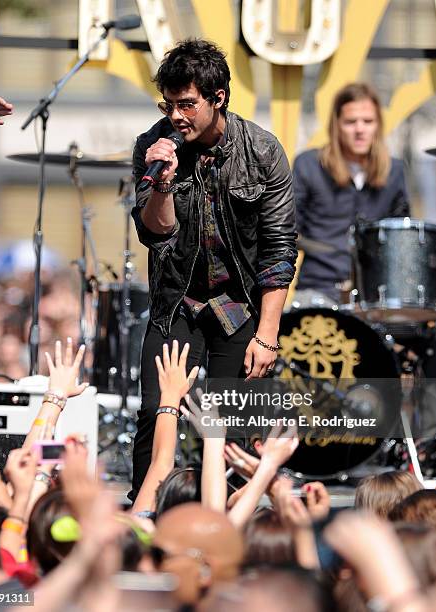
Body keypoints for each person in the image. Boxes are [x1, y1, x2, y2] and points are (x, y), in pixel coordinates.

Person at [131, 38, 297, 497]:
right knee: (153, 412)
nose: (176, 116)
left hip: (238, 307)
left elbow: (279, 249)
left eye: (187, 104)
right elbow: (155, 233)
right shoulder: (153, 144)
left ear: (217, 97)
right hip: (178, 304)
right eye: (169, 105)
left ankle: (235, 526)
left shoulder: (262, 150)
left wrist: (267, 334)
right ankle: (146, 520)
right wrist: (162, 185)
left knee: (235, 429)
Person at [293, 82, 410, 304]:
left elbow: (402, 239)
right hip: (318, 288)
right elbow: (289, 230)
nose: (360, 129)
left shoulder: (395, 171)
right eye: (350, 122)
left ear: (378, 125)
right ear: (336, 125)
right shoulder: (308, 164)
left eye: (368, 121)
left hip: (377, 294)